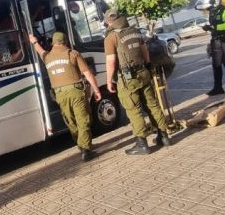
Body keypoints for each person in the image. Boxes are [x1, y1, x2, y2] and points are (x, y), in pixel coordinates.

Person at [103, 9, 172, 156]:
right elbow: (144, 50)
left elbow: (111, 61)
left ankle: (142, 143)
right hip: (144, 72)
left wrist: (109, 81)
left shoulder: (111, 37)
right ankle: (164, 136)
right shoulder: (134, 31)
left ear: (109, 21)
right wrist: (147, 65)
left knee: (133, 109)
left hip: (128, 79)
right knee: (152, 105)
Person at [29, 31, 101, 161]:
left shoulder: (47, 57)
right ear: (65, 42)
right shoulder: (72, 54)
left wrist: (33, 41)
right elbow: (87, 73)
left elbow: (39, 50)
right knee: (83, 119)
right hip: (76, 92)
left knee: (71, 121)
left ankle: (81, 145)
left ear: (53, 43)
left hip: (60, 95)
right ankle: (85, 149)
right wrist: (96, 90)